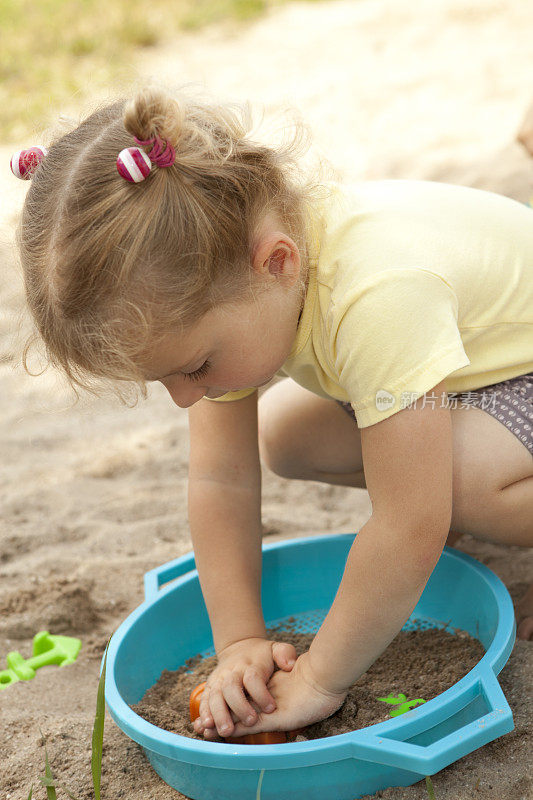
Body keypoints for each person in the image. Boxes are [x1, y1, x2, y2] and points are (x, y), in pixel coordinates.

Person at [12, 85, 533, 742]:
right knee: (285, 433)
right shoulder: (237, 277)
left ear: (276, 262)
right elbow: (220, 482)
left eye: (194, 366)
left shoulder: (377, 292)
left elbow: (409, 522)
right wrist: (239, 642)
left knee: (450, 487)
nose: (183, 397)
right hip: (475, 365)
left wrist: (320, 677)